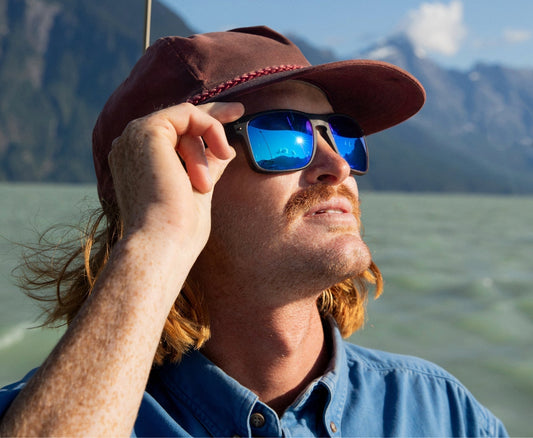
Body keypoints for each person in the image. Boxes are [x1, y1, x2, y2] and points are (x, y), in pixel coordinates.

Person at [0, 26, 507, 437]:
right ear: (174, 175)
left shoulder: (441, 412)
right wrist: (155, 238)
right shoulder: (51, 417)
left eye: (342, 136)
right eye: (286, 134)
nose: (337, 166)